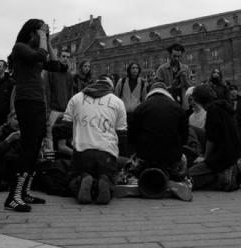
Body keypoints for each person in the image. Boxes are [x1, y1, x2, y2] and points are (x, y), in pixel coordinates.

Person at [4, 19, 64, 212]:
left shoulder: (37, 54)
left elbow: (55, 65)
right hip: (26, 100)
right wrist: (43, 37)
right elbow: (41, 54)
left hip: (38, 101)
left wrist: (49, 40)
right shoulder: (20, 48)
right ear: (31, 32)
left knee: (37, 143)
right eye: (39, 32)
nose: (41, 37)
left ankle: (24, 192)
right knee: (28, 146)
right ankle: (14, 196)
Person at [63, 75, 127, 205]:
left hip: (82, 152)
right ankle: (105, 181)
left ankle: (83, 180)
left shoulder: (76, 98)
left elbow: (65, 125)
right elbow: (122, 133)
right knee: (110, 176)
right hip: (106, 153)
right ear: (111, 88)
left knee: (72, 177)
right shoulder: (117, 101)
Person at [127, 82, 192, 201]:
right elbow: (184, 138)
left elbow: (131, 137)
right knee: (182, 163)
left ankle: (135, 181)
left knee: (128, 166)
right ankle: (175, 181)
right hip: (171, 157)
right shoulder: (178, 108)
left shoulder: (140, 108)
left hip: (146, 156)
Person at [189, 85, 240, 191]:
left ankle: (223, 179)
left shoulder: (213, 110)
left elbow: (211, 138)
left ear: (199, 99)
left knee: (188, 175)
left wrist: (205, 158)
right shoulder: (223, 107)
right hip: (231, 155)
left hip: (220, 158)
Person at [44, 49, 73, 153]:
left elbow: (70, 94)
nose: (65, 59)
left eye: (68, 57)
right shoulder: (51, 72)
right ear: (59, 57)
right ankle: (49, 158)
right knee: (49, 136)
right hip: (53, 109)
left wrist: (70, 110)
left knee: (64, 137)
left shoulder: (69, 75)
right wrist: (47, 109)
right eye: (63, 56)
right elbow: (47, 91)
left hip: (65, 110)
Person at [155, 43, 191, 109]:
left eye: (179, 56)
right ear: (169, 55)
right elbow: (158, 90)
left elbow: (189, 88)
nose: (177, 58)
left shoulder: (186, 68)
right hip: (167, 104)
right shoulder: (161, 69)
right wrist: (172, 86)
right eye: (174, 56)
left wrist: (185, 79)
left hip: (183, 105)